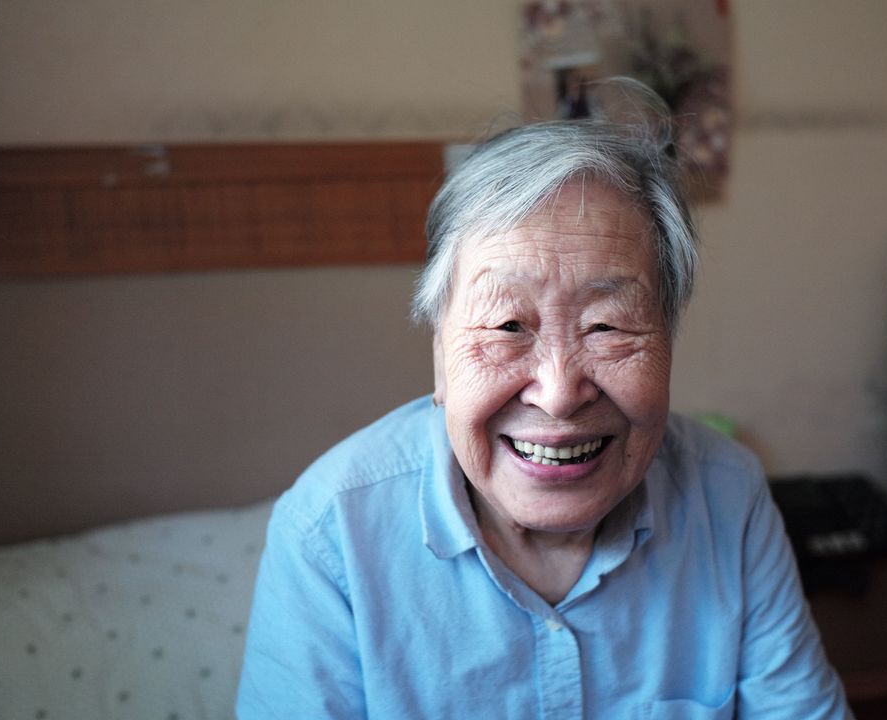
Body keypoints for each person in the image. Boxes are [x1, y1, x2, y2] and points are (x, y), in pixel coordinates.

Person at [236, 80, 852, 719]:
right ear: (440, 357)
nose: (559, 395)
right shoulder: (329, 534)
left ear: (669, 340)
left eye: (607, 326)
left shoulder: (727, 495)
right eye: (507, 327)